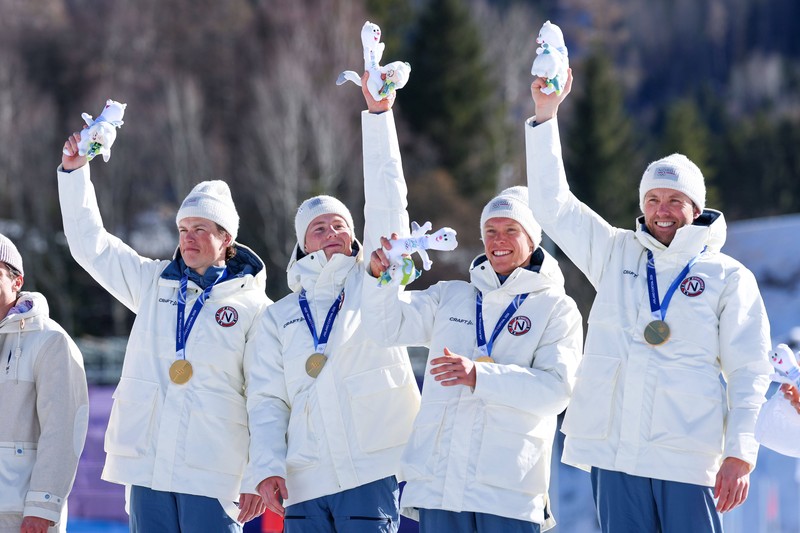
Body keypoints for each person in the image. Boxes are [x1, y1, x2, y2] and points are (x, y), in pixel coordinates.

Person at [525, 69, 772, 532]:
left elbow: (748, 371)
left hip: (685, 458)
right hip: (615, 454)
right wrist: (546, 115)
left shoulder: (726, 277)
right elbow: (552, 206)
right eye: (653, 198)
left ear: (695, 209)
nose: (662, 210)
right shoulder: (616, 252)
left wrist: (740, 452)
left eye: (674, 200)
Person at [58, 135, 271, 531]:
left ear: (226, 238)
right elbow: (93, 248)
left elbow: (266, 393)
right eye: (183, 228)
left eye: (200, 229)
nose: (188, 237)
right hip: (149, 465)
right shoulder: (154, 283)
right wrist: (74, 174)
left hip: (213, 468)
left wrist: (260, 470)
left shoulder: (256, 309)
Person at [244, 73, 421, 532]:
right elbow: (266, 401)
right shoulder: (278, 316)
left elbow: (388, 207)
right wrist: (267, 467)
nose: (334, 233)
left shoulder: (374, 282)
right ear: (302, 247)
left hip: (373, 465)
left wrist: (379, 117)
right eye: (320, 229)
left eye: (341, 225)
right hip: (304, 478)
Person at [362, 186, 583, 533]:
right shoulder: (451, 295)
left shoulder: (556, 307)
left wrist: (480, 377)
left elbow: (557, 390)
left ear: (533, 239)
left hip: (507, 490)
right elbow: (385, 329)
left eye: (511, 230)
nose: (499, 239)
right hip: (438, 486)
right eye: (490, 231)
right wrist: (380, 279)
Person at [0, 233, 89, 533]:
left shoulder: (51, 340)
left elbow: (64, 430)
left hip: (18, 515)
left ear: (17, 281)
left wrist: (42, 507)